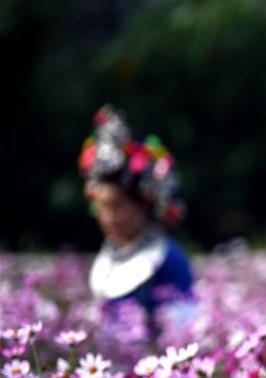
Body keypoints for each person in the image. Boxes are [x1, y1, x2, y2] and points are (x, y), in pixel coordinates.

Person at [78, 105, 194, 342]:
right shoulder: (106, 259)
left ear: (143, 204)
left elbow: (185, 330)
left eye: (117, 206)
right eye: (102, 207)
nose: (108, 216)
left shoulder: (169, 258)